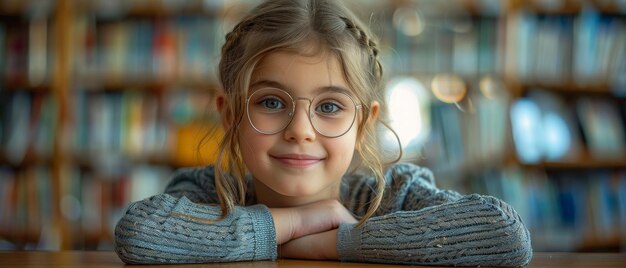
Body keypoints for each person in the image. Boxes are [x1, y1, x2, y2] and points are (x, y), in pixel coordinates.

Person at [114, 0, 532, 266]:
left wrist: (339, 242)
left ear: (365, 123)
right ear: (230, 117)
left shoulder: (396, 196)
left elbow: (504, 233)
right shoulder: (207, 192)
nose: (300, 131)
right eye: (271, 102)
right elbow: (140, 233)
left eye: (329, 107)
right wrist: (296, 223)